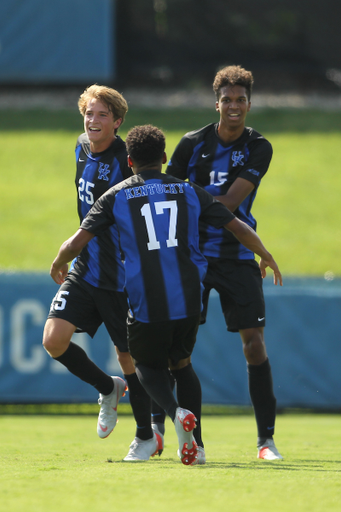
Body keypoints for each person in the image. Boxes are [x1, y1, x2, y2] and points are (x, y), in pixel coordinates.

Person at [49, 124, 282, 465]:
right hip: (189, 296)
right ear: (164, 158)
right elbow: (236, 225)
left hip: (146, 299)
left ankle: (176, 416)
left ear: (129, 161)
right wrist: (266, 254)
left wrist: (59, 260)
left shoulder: (116, 196)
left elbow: (77, 242)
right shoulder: (190, 191)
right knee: (183, 364)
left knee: (144, 365)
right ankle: (197, 447)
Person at [166, 65, 283, 460]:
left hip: (236, 256)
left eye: (241, 100)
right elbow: (168, 197)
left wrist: (191, 197)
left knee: (254, 346)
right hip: (192, 256)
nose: (234, 107)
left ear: (249, 103)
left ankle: (266, 442)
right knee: (180, 353)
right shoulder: (190, 144)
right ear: (216, 103)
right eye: (227, 100)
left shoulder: (259, 147)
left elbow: (230, 203)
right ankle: (194, 443)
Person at [42, 85, 163, 462]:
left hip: (119, 275)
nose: (93, 121)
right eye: (89, 113)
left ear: (118, 122)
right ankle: (107, 389)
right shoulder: (80, 146)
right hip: (85, 268)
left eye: (102, 116)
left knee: (128, 357)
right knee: (53, 339)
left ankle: (145, 436)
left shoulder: (126, 160)